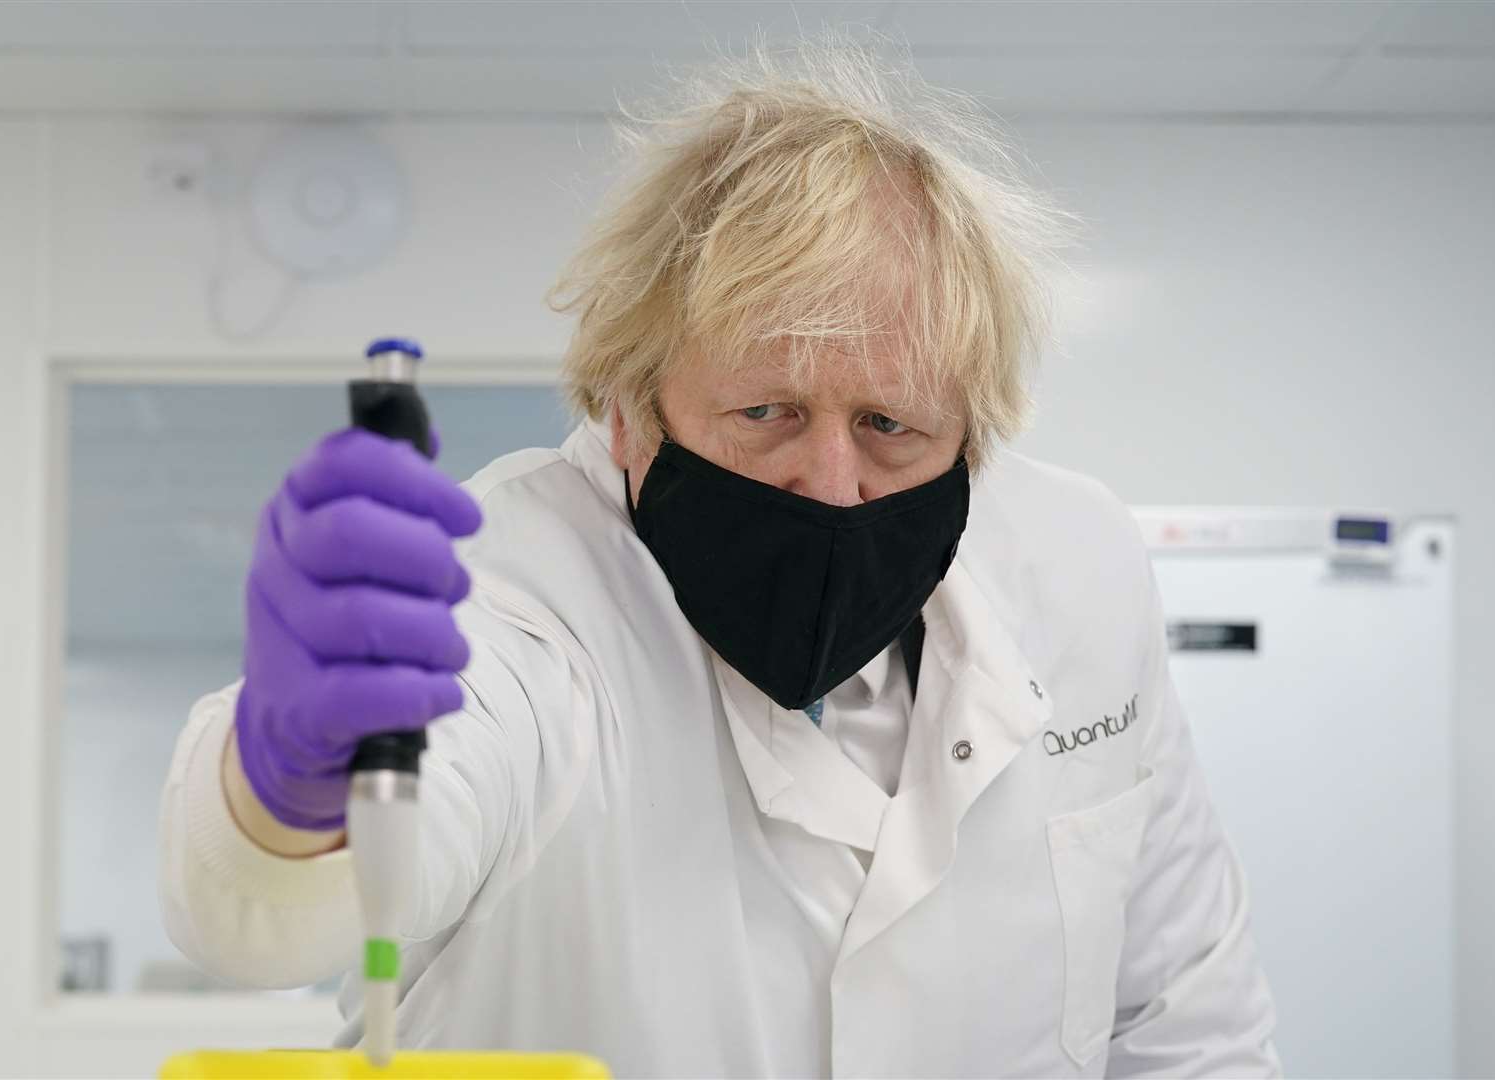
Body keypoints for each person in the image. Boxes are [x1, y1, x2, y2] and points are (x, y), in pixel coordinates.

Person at [160, 34, 1280, 1078]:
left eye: (891, 428)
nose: (834, 483)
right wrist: (284, 784)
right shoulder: (515, 591)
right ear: (628, 413)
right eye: (767, 412)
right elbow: (269, 921)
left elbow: (1189, 1022)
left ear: (973, 434)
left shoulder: (1079, 566)